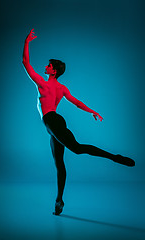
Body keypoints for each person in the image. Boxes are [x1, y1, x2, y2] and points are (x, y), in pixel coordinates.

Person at [22, 29, 135, 215]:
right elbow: (75, 102)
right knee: (59, 163)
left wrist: (26, 42)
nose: (46, 67)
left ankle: (115, 157)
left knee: (77, 148)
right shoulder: (61, 87)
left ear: (54, 70)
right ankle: (59, 200)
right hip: (53, 125)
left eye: (49, 66)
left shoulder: (44, 84)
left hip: (52, 120)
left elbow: (26, 63)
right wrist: (92, 111)